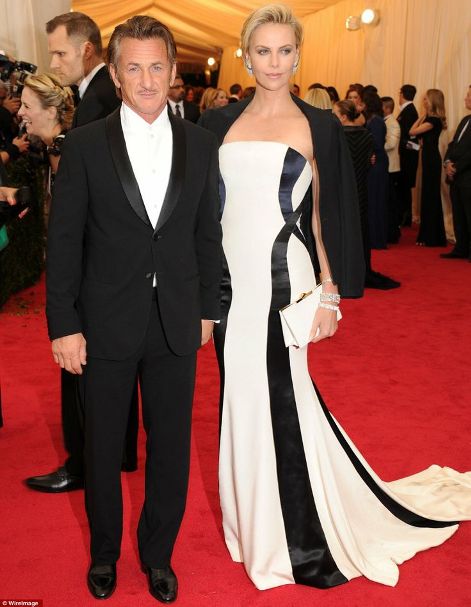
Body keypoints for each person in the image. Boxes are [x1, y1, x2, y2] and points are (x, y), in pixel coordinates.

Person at [199, 3, 470, 592]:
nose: (274, 62)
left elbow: (319, 218)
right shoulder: (218, 125)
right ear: (247, 55)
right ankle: (253, 525)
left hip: (284, 279)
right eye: (263, 51)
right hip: (231, 288)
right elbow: (207, 216)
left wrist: (327, 293)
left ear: (298, 54)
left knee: (285, 400)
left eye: (285, 50)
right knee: (241, 400)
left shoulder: (318, 125)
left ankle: (297, 537)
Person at [46, 15, 221, 602]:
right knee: (101, 450)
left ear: (173, 73)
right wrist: (64, 325)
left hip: (176, 319)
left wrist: (207, 308)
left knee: (170, 447)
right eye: (133, 67)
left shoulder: (201, 144)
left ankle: (158, 554)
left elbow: (206, 233)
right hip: (103, 323)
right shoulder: (87, 144)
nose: (146, 79)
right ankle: (103, 555)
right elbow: (65, 241)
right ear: (116, 74)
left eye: (157, 66)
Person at [24, 11, 138, 494]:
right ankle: (120, 452)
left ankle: (88, 462)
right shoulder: (96, 100)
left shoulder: (99, 104)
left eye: (59, 52)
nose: (54, 60)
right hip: (112, 265)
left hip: (99, 266)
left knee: (85, 369)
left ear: (88, 50)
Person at [333, 99, 399, 289]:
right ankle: (360, 270)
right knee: (360, 231)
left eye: (335, 113)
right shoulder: (367, 136)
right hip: (361, 190)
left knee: (341, 231)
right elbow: (370, 162)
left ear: (343, 116)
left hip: (340, 191)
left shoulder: (336, 136)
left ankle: (342, 273)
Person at [17, 73, 74, 179]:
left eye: (27, 106)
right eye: (21, 105)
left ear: (51, 112)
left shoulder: (68, 152)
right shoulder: (49, 147)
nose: (20, 112)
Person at [410, 88, 447, 246]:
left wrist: (423, 116)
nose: (423, 102)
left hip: (432, 160)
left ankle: (431, 236)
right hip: (427, 159)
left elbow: (412, 131)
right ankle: (428, 235)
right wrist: (423, 115)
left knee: (430, 195)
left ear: (433, 101)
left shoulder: (433, 121)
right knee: (427, 195)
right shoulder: (429, 118)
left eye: (426, 99)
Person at [441, 85, 471, 261]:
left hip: (467, 176)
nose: (465, 99)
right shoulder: (465, 119)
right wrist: (447, 163)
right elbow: (453, 145)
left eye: (468, 96)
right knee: (458, 214)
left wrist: (457, 167)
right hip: (456, 177)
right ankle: (460, 248)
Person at [397, 84, 419, 226]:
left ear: (402, 94)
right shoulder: (407, 111)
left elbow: (411, 139)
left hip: (407, 156)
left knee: (404, 187)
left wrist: (401, 146)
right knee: (403, 187)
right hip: (406, 155)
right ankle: (404, 216)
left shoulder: (409, 112)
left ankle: (405, 217)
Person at [381, 95, 401, 243]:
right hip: (387, 167)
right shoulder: (386, 122)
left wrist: (376, 146)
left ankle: (393, 232)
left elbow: (392, 144)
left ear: (387, 108)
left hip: (391, 168)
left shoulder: (392, 123)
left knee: (390, 202)